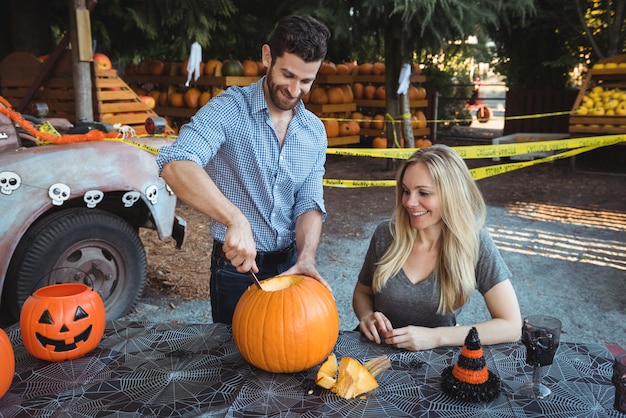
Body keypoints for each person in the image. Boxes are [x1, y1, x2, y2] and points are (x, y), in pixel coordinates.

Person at [156, 15, 332, 324]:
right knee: (234, 358)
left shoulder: (314, 131)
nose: (294, 89)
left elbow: (309, 201)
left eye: (306, 81)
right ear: (267, 57)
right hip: (236, 268)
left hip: (291, 264)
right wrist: (235, 219)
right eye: (287, 74)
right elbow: (176, 165)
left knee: (289, 355)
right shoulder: (227, 109)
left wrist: (306, 258)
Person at [352, 144, 521, 351]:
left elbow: (511, 326)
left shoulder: (475, 244)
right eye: (406, 191)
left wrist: (436, 337)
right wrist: (367, 316)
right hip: (375, 352)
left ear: (452, 195)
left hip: (436, 361)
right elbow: (362, 293)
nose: (409, 202)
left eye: (423, 193)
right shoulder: (386, 235)